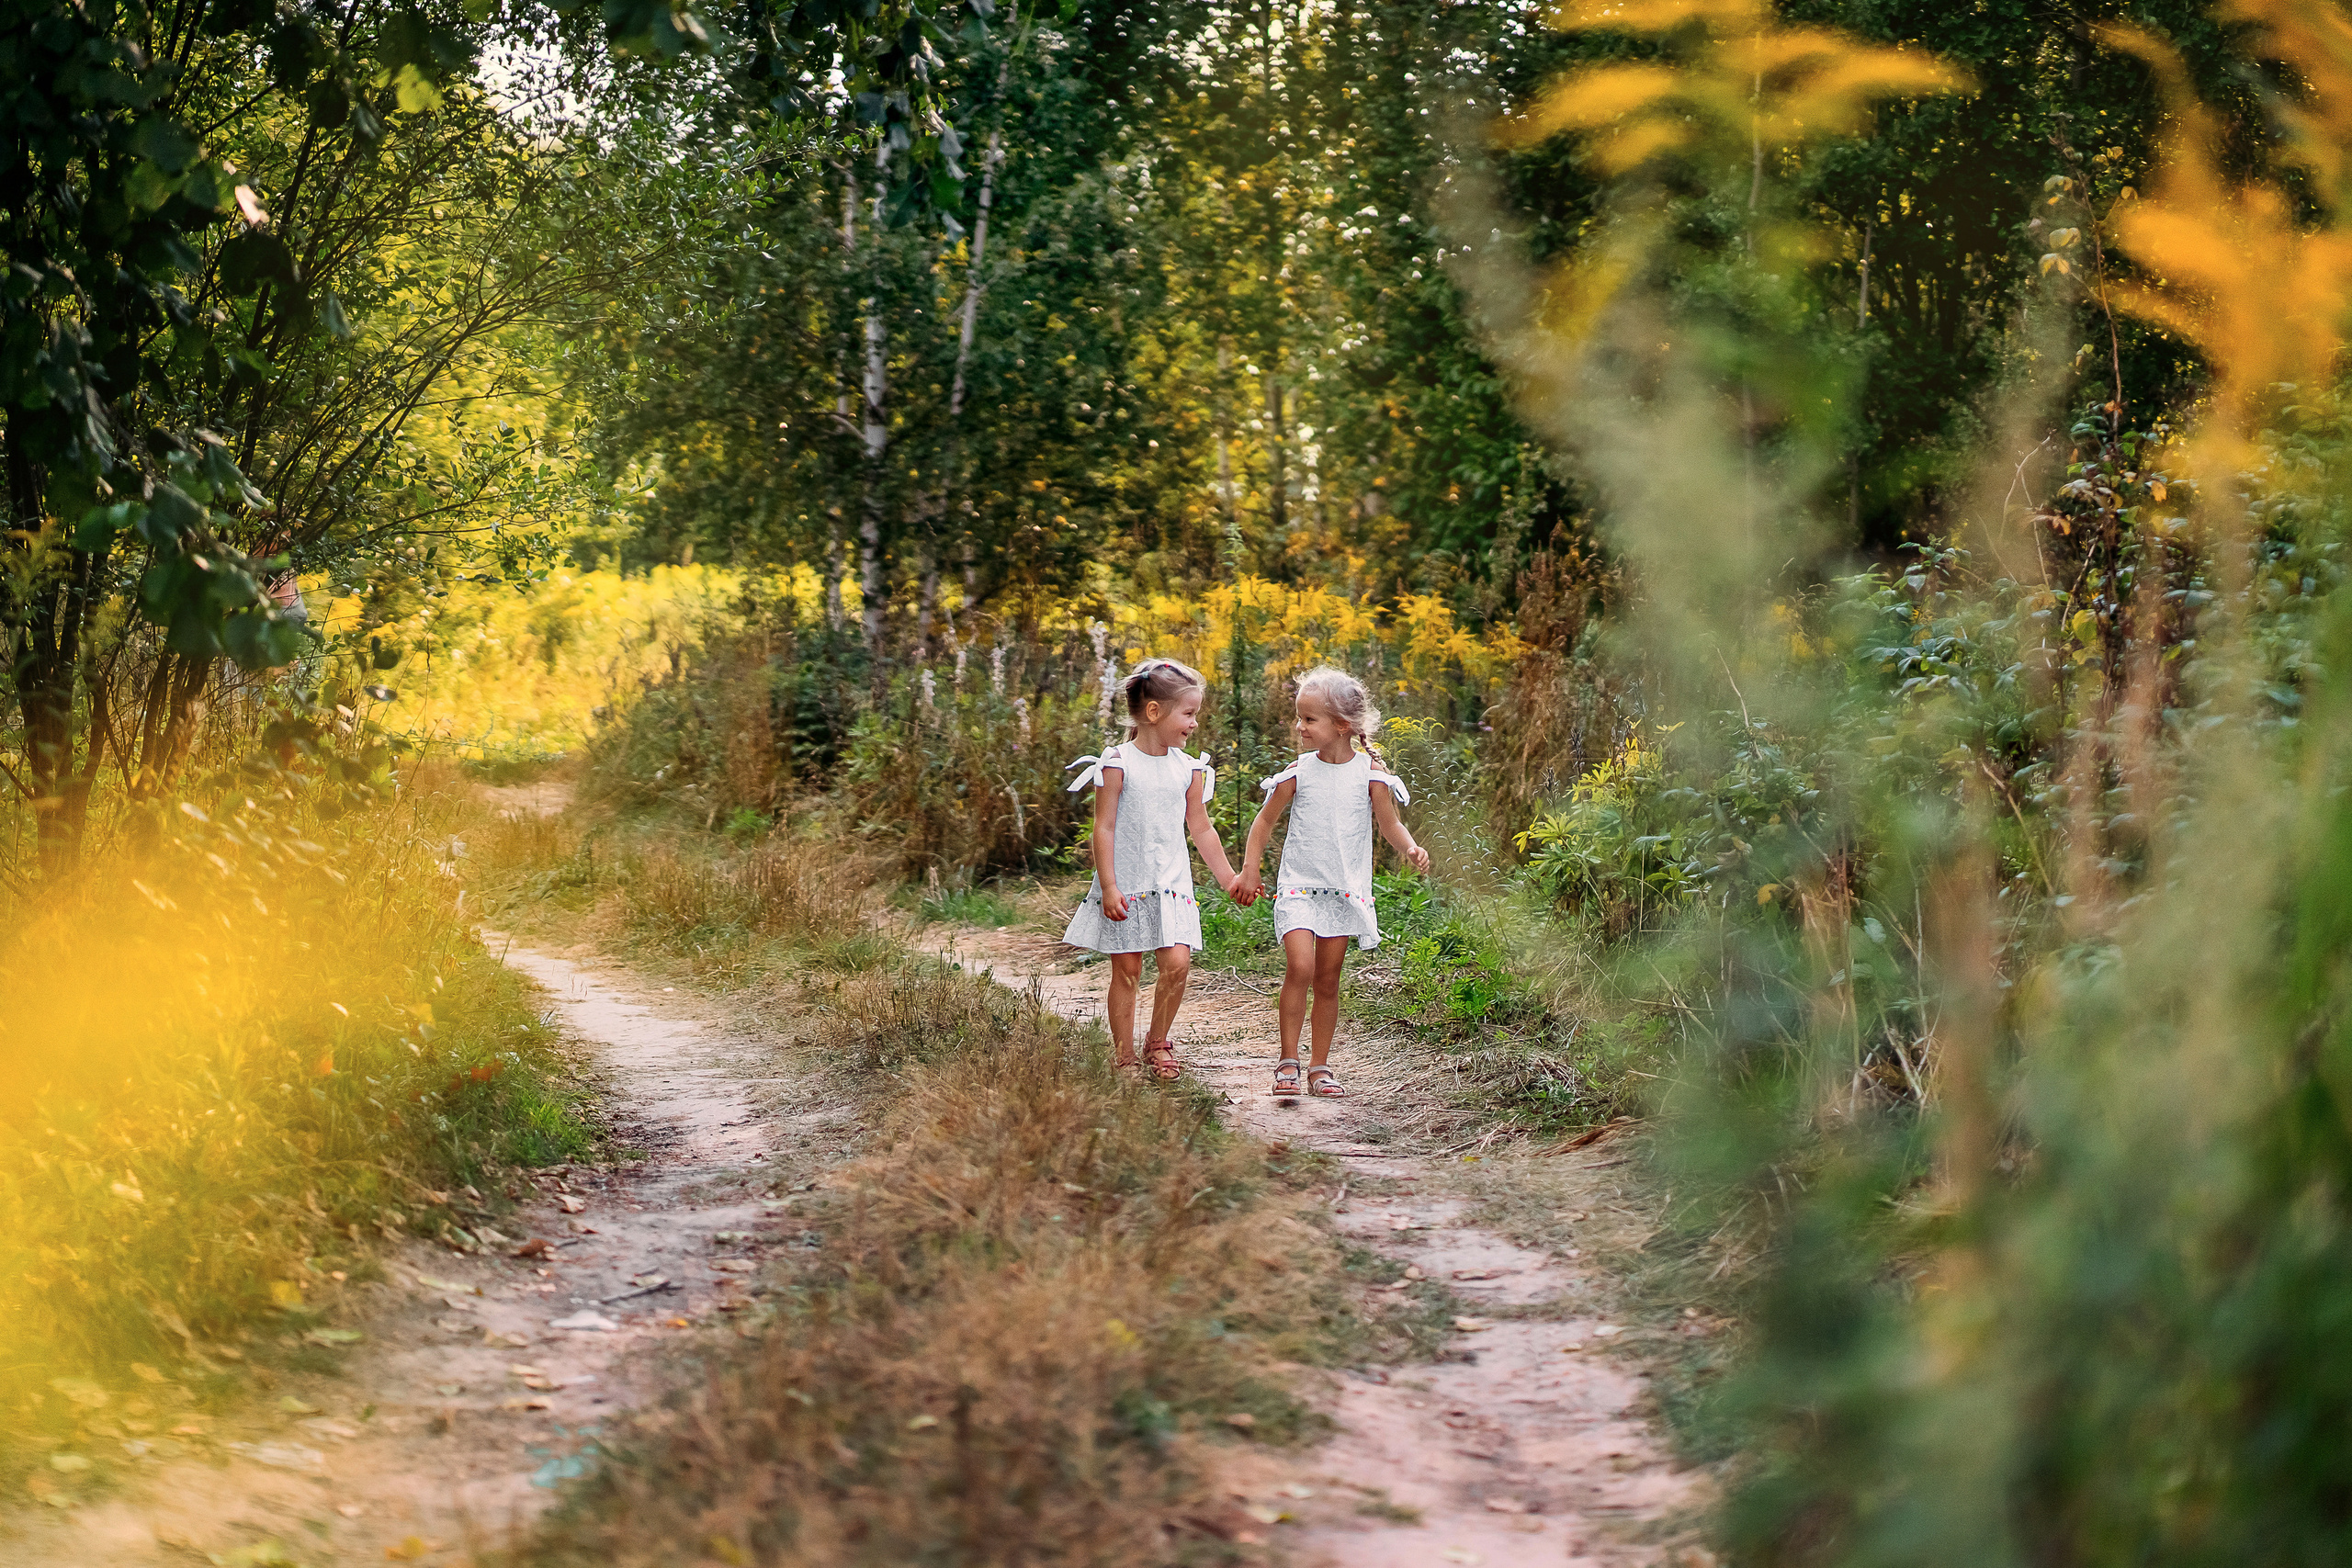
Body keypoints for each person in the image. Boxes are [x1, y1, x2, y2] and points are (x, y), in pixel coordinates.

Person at [1234, 666, 1430, 1100]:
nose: (1299, 727)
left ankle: (1320, 1068)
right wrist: (1250, 870)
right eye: (1299, 717)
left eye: (1309, 719)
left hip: (1343, 890)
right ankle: (1288, 1060)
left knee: (1328, 978)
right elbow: (1263, 822)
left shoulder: (1371, 776)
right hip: (1299, 886)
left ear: (1342, 726)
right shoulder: (1297, 773)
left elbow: (1390, 825)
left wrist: (1411, 848)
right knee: (1300, 967)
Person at [1062, 659, 1250, 1080]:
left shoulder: (1189, 769)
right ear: (1154, 713)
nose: (1195, 723)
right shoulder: (1116, 763)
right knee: (1127, 971)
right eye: (1189, 713)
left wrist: (1229, 879)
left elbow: (1200, 828)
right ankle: (1124, 1053)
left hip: (1171, 884)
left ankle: (1158, 1041)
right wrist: (1109, 886)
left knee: (1177, 964)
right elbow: (1104, 827)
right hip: (1127, 884)